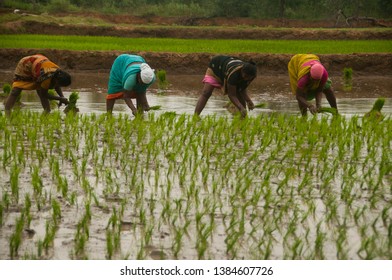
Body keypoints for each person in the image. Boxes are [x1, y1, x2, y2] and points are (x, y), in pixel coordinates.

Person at [5, 54, 71, 114]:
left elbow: (57, 86)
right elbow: (44, 94)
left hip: (39, 65)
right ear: (56, 80)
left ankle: (47, 111)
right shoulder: (47, 77)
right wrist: (60, 99)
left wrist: (62, 96)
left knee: (40, 89)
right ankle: (7, 110)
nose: (57, 86)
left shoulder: (58, 74)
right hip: (26, 64)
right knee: (16, 90)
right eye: (58, 84)